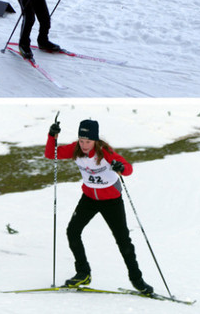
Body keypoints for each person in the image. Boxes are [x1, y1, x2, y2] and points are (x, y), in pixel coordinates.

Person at [45, 118, 153, 294]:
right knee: (72, 231)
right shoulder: (76, 149)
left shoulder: (105, 152)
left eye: (88, 141)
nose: (84, 145)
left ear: (95, 140)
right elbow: (51, 154)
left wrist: (120, 167)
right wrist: (51, 136)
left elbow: (128, 168)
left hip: (111, 199)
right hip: (89, 198)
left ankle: (137, 280)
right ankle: (83, 273)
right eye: (81, 140)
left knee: (123, 239)